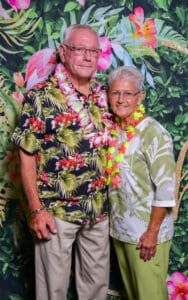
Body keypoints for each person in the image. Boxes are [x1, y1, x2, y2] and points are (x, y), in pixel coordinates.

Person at [11, 24, 112, 300]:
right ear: (64, 53)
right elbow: (26, 152)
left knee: (95, 292)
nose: (88, 56)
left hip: (97, 212)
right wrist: (35, 209)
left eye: (94, 50)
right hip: (55, 213)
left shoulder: (104, 97)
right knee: (52, 293)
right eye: (80, 49)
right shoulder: (41, 96)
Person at [106, 66, 176, 300]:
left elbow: (166, 189)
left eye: (128, 94)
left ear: (140, 97)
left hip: (146, 236)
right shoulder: (114, 130)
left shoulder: (153, 132)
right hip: (121, 232)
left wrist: (151, 233)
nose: (121, 99)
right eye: (115, 93)